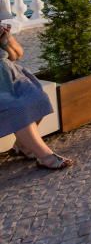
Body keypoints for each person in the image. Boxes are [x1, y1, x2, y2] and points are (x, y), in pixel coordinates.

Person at [1, 24, 75, 169]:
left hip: (10, 75)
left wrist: (5, 39)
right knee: (18, 109)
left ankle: (23, 146)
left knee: (38, 98)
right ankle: (46, 157)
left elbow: (17, 55)